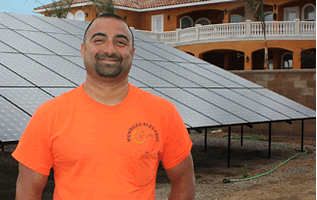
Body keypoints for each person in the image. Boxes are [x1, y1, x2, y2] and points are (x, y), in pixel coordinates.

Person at [12, 13, 195, 200]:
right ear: (83, 50)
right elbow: (28, 188)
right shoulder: (48, 115)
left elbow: (183, 179)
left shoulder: (163, 112)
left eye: (121, 42)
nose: (110, 50)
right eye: (99, 40)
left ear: (132, 53)